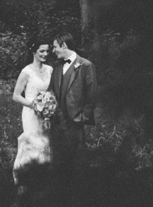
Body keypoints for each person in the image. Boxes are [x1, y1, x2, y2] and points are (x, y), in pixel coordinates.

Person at [47, 33, 97, 199]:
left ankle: (78, 197)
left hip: (75, 122)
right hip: (57, 122)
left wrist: (81, 118)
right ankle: (60, 196)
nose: (53, 50)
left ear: (64, 46)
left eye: (55, 47)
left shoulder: (85, 65)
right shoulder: (56, 66)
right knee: (58, 159)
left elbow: (91, 96)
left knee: (77, 160)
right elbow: (51, 91)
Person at [12, 38, 54, 189]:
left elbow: (50, 91)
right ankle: (24, 178)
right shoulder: (26, 72)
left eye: (47, 51)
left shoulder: (50, 69)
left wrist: (48, 109)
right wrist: (34, 105)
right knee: (33, 142)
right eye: (41, 51)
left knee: (45, 143)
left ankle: (43, 179)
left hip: (46, 114)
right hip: (31, 113)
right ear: (33, 51)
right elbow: (16, 96)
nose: (45, 54)